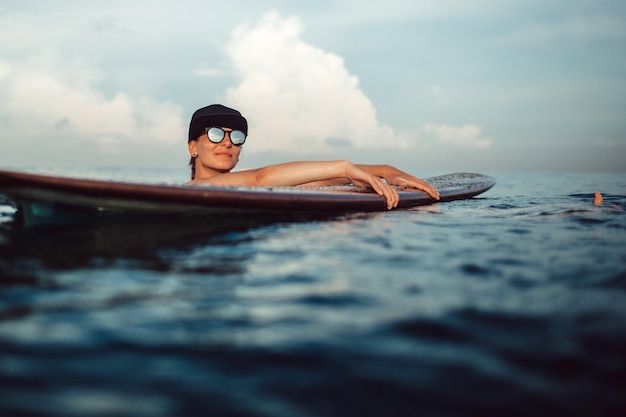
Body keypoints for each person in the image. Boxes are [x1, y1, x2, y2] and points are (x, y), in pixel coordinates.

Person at [186, 104, 440, 209]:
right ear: (193, 147)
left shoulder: (248, 189)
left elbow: (310, 182)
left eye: (237, 137)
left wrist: (382, 171)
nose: (228, 142)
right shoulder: (192, 189)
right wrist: (345, 168)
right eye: (216, 134)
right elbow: (261, 178)